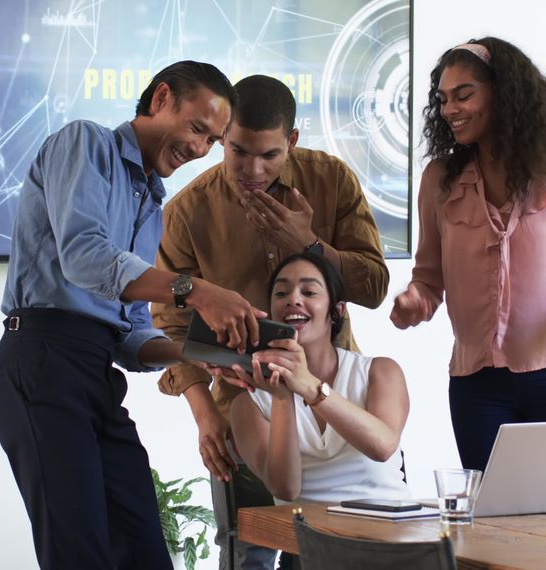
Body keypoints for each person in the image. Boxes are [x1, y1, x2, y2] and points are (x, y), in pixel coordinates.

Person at [0, 61, 266, 570]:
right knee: (79, 556)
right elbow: (85, 257)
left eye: (212, 140)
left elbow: (132, 335)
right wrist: (197, 291)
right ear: (160, 99)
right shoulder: (86, 143)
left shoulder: (152, 206)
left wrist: (199, 356)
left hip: (96, 374)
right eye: (197, 129)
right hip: (43, 361)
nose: (200, 149)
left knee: (146, 552)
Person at [152, 75, 389, 568]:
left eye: (270, 155)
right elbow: (169, 324)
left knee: (332, 551)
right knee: (248, 553)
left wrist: (309, 245)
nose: (252, 170)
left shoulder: (331, 180)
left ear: (292, 141)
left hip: (330, 404)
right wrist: (204, 412)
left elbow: (373, 286)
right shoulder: (187, 212)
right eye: (238, 152)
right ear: (222, 136)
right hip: (244, 413)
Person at [390, 37, 546, 471]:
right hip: (479, 387)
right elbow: (429, 278)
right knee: (495, 511)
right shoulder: (439, 180)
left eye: (464, 95)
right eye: (443, 99)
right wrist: (415, 301)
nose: (450, 109)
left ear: (503, 93)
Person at [223, 252, 409, 569]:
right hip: (311, 552)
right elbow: (285, 488)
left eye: (309, 291)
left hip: (395, 545)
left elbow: (382, 446)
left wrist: (309, 386)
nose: (293, 299)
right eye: (281, 293)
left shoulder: (379, 372)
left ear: (337, 311)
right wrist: (283, 399)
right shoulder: (249, 402)